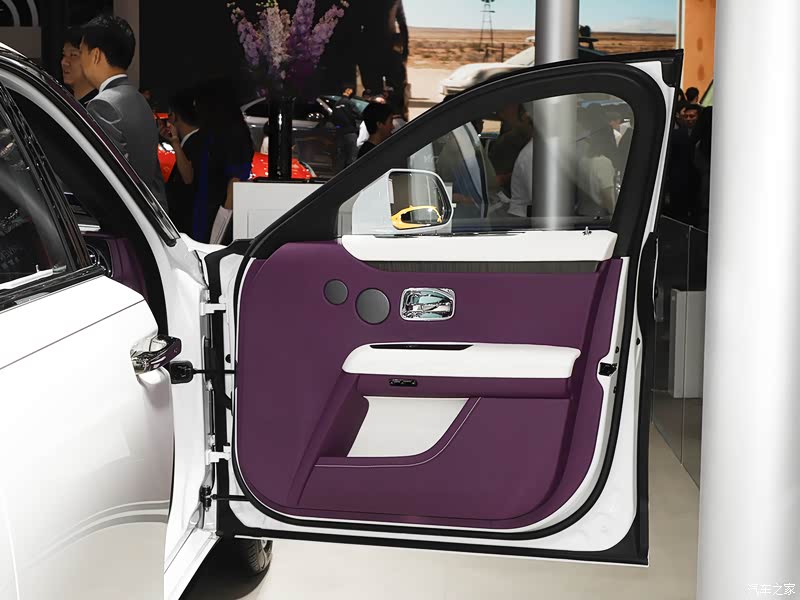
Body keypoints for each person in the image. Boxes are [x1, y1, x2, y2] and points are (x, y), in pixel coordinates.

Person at [79, 15, 167, 209]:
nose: (80, 59)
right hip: (149, 214)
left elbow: (112, 184)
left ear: (96, 55)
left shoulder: (102, 105)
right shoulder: (140, 100)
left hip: (126, 218)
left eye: (81, 52)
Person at [193, 82, 252, 244]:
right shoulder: (216, 130)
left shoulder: (231, 133)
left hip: (219, 210)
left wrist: (221, 227)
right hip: (209, 206)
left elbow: (235, 180)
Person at [159, 88, 204, 235]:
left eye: (169, 115)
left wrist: (175, 143)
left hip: (189, 221)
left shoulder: (196, 142)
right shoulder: (195, 140)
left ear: (175, 116)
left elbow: (188, 177)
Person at [61, 28, 97, 106]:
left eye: (73, 55)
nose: (64, 62)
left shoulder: (98, 107)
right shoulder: (64, 103)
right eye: (64, 55)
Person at [332, 86, 360, 172]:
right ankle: (351, 174)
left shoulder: (336, 103)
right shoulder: (349, 103)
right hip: (350, 132)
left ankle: (339, 175)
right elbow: (359, 115)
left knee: (340, 156)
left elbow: (333, 118)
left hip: (339, 133)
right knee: (352, 156)